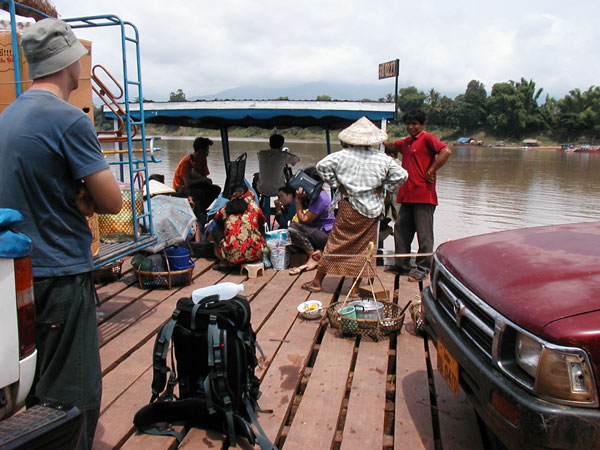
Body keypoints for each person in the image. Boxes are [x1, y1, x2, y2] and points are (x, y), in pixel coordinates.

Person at [0, 19, 123, 449]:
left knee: (31, 390)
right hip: (60, 275)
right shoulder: (70, 121)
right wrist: (88, 198)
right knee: (73, 395)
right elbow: (112, 203)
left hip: (15, 277)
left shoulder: (7, 117)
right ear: (71, 62)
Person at [301, 117, 407, 294]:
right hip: (372, 209)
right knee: (365, 247)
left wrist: (336, 183)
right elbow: (402, 175)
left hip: (349, 206)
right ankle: (356, 286)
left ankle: (318, 281)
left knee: (336, 243)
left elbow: (321, 166)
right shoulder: (383, 159)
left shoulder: (341, 156)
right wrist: (384, 186)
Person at [383, 109, 452, 282]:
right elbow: (390, 144)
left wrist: (432, 169)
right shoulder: (405, 143)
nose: (411, 127)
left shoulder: (428, 138)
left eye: (414, 124)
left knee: (424, 233)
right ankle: (402, 265)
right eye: (408, 124)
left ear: (422, 125)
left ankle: (423, 268)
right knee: (401, 229)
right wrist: (379, 132)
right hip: (406, 194)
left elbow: (446, 151)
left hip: (424, 194)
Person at [287, 167, 335, 274]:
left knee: (294, 228)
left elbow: (304, 219)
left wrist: (298, 200)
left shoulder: (321, 198)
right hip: (321, 232)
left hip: (326, 234)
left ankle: (313, 256)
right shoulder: (317, 195)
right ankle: (317, 253)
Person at [210, 185, 266, 268]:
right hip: (256, 254)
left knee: (216, 228)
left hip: (233, 256)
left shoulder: (225, 210)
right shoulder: (254, 208)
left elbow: (216, 219)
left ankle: (224, 259)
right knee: (260, 226)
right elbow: (262, 221)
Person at [172, 136, 221, 217]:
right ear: (201, 150)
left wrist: (205, 180)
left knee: (215, 189)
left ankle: (201, 209)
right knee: (200, 193)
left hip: (193, 186)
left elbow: (204, 178)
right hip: (180, 188)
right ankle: (197, 212)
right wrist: (203, 179)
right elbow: (187, 183)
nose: (208, 152)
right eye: (207, 149)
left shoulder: (203, 159)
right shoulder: (186, 162)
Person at [256, 134, 299, 198]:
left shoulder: (261, 153)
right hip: (278, 190)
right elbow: (297, 159)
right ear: (281, 145)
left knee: (256, 177)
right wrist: (286, 153)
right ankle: (286, 205)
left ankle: (257, 201)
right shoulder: (283, 156)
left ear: (270, 143)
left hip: (262, 190)